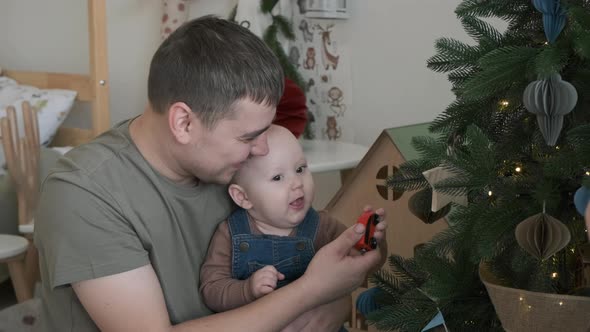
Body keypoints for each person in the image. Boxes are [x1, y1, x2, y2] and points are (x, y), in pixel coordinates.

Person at [34, 15, 386, 332]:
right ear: (184, 123)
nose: (264, 149)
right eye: (249, 137)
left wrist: (336, 298)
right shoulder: (83, 194)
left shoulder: (229, 165)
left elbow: (309, 252)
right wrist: (314, 292)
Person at [199, 125, 387, 329]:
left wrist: (369, 240)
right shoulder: (230, 234)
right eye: (278, 177)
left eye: (300, 169)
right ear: (243, 197)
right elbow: (211, 290)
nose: (297, 183)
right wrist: (247, 289)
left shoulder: (322, 225)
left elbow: (359, 267)